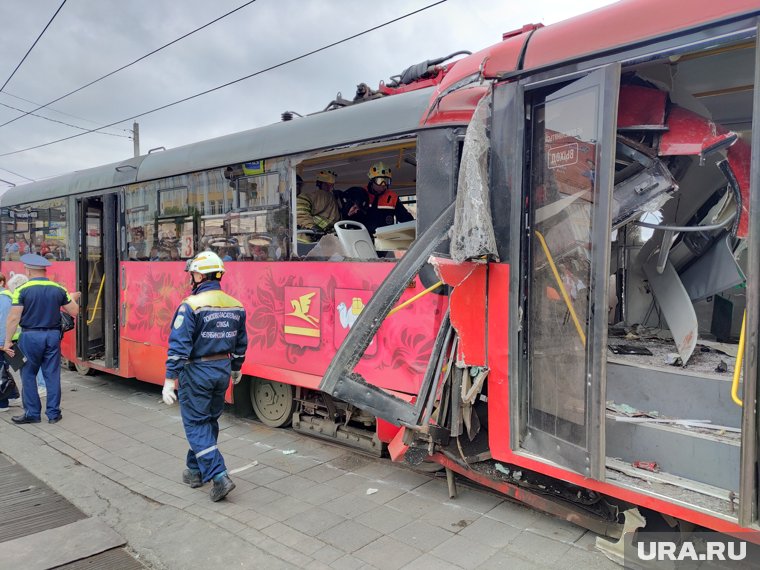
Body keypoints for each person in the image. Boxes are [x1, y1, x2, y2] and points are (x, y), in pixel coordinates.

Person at [162, 251, 247, 502]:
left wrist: (169, 379)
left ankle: (219, 475)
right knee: (208, 421)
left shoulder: (191, 305)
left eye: (193, 273)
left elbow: (179, 345)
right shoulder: (235, 305)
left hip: (197, 371)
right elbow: (241, 343)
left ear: (199, 275)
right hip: (222, 370)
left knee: (196, 423)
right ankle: (195, 471)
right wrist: (237, 367)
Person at [3, 254, 79, 424]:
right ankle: (53, 414)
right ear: (45, 271)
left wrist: (8, 341)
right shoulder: (59, 289)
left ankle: (32, 413)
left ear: (28, 271)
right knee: (52, 374)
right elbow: (74, 311)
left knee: (28, 374)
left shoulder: (22, 290)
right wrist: (73, 297)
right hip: (52, 336)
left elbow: (14, 318)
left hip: (30, 336)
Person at [8, 273, 48, 396]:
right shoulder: (36, 294)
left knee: (29, 365)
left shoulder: (19, 297)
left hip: (26, 336)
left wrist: (7, 340)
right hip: (41, 333)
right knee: (41, 361)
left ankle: (39, 387)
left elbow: (13, 319)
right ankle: (42, 386)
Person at [361, 162, 414, 235]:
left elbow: (405, 218)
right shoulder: (361, 193)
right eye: (380, 181)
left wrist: (414, 225)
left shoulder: (392, 197)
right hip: (364, 236)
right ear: (372, 181)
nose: (383, 185)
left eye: (386, 181)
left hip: (385, 238)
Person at [296, 170, 341, 240]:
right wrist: (311, 226)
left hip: (311, 238)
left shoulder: (324, 196)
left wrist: (312, 227)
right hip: (314, 237)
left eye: (299, 185)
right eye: (328, 184)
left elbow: (300, 210)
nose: (297, 188)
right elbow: (300, 212)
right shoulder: (327, 197)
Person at [0, 273, 20, 411]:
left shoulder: (3, 298)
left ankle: (3, 403)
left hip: (5, 341)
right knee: (3, 370)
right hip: (6, 340)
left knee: (1, 371)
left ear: (1, 283)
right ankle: (12, 395)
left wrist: (2, 344)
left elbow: (3, 324)